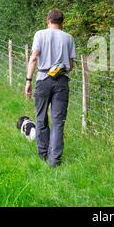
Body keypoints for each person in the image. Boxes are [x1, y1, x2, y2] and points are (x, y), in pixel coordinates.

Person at [25, 9, 76, 168]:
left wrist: (28, 80)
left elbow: (34, 58)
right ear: (62, 23)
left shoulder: (40, 34)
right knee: (58, 121)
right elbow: (71, 66)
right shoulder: (69, 38)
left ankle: (43, 153)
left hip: (43, 79)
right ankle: (54, 161)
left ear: (48, 21)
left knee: (41, 118)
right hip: (61, 81)